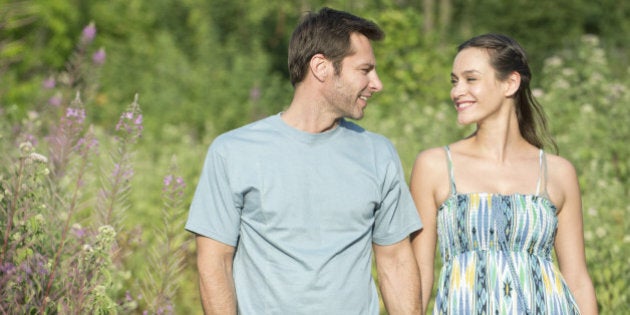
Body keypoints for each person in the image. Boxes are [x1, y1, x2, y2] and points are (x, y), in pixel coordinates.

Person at [185, 7, 423, 315]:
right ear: (321, 67)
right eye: (365, 70)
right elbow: (214, 262)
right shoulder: (233, 152)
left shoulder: (379, 153)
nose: (377, 83)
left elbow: (395, 261)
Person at [409, 33, 598, 314]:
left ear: (510, 83)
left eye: (470, 79)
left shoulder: (557, 172)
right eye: (454, 81)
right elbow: (419, 277)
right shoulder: (435, 166)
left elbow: (577, 280)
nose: (457, 91)